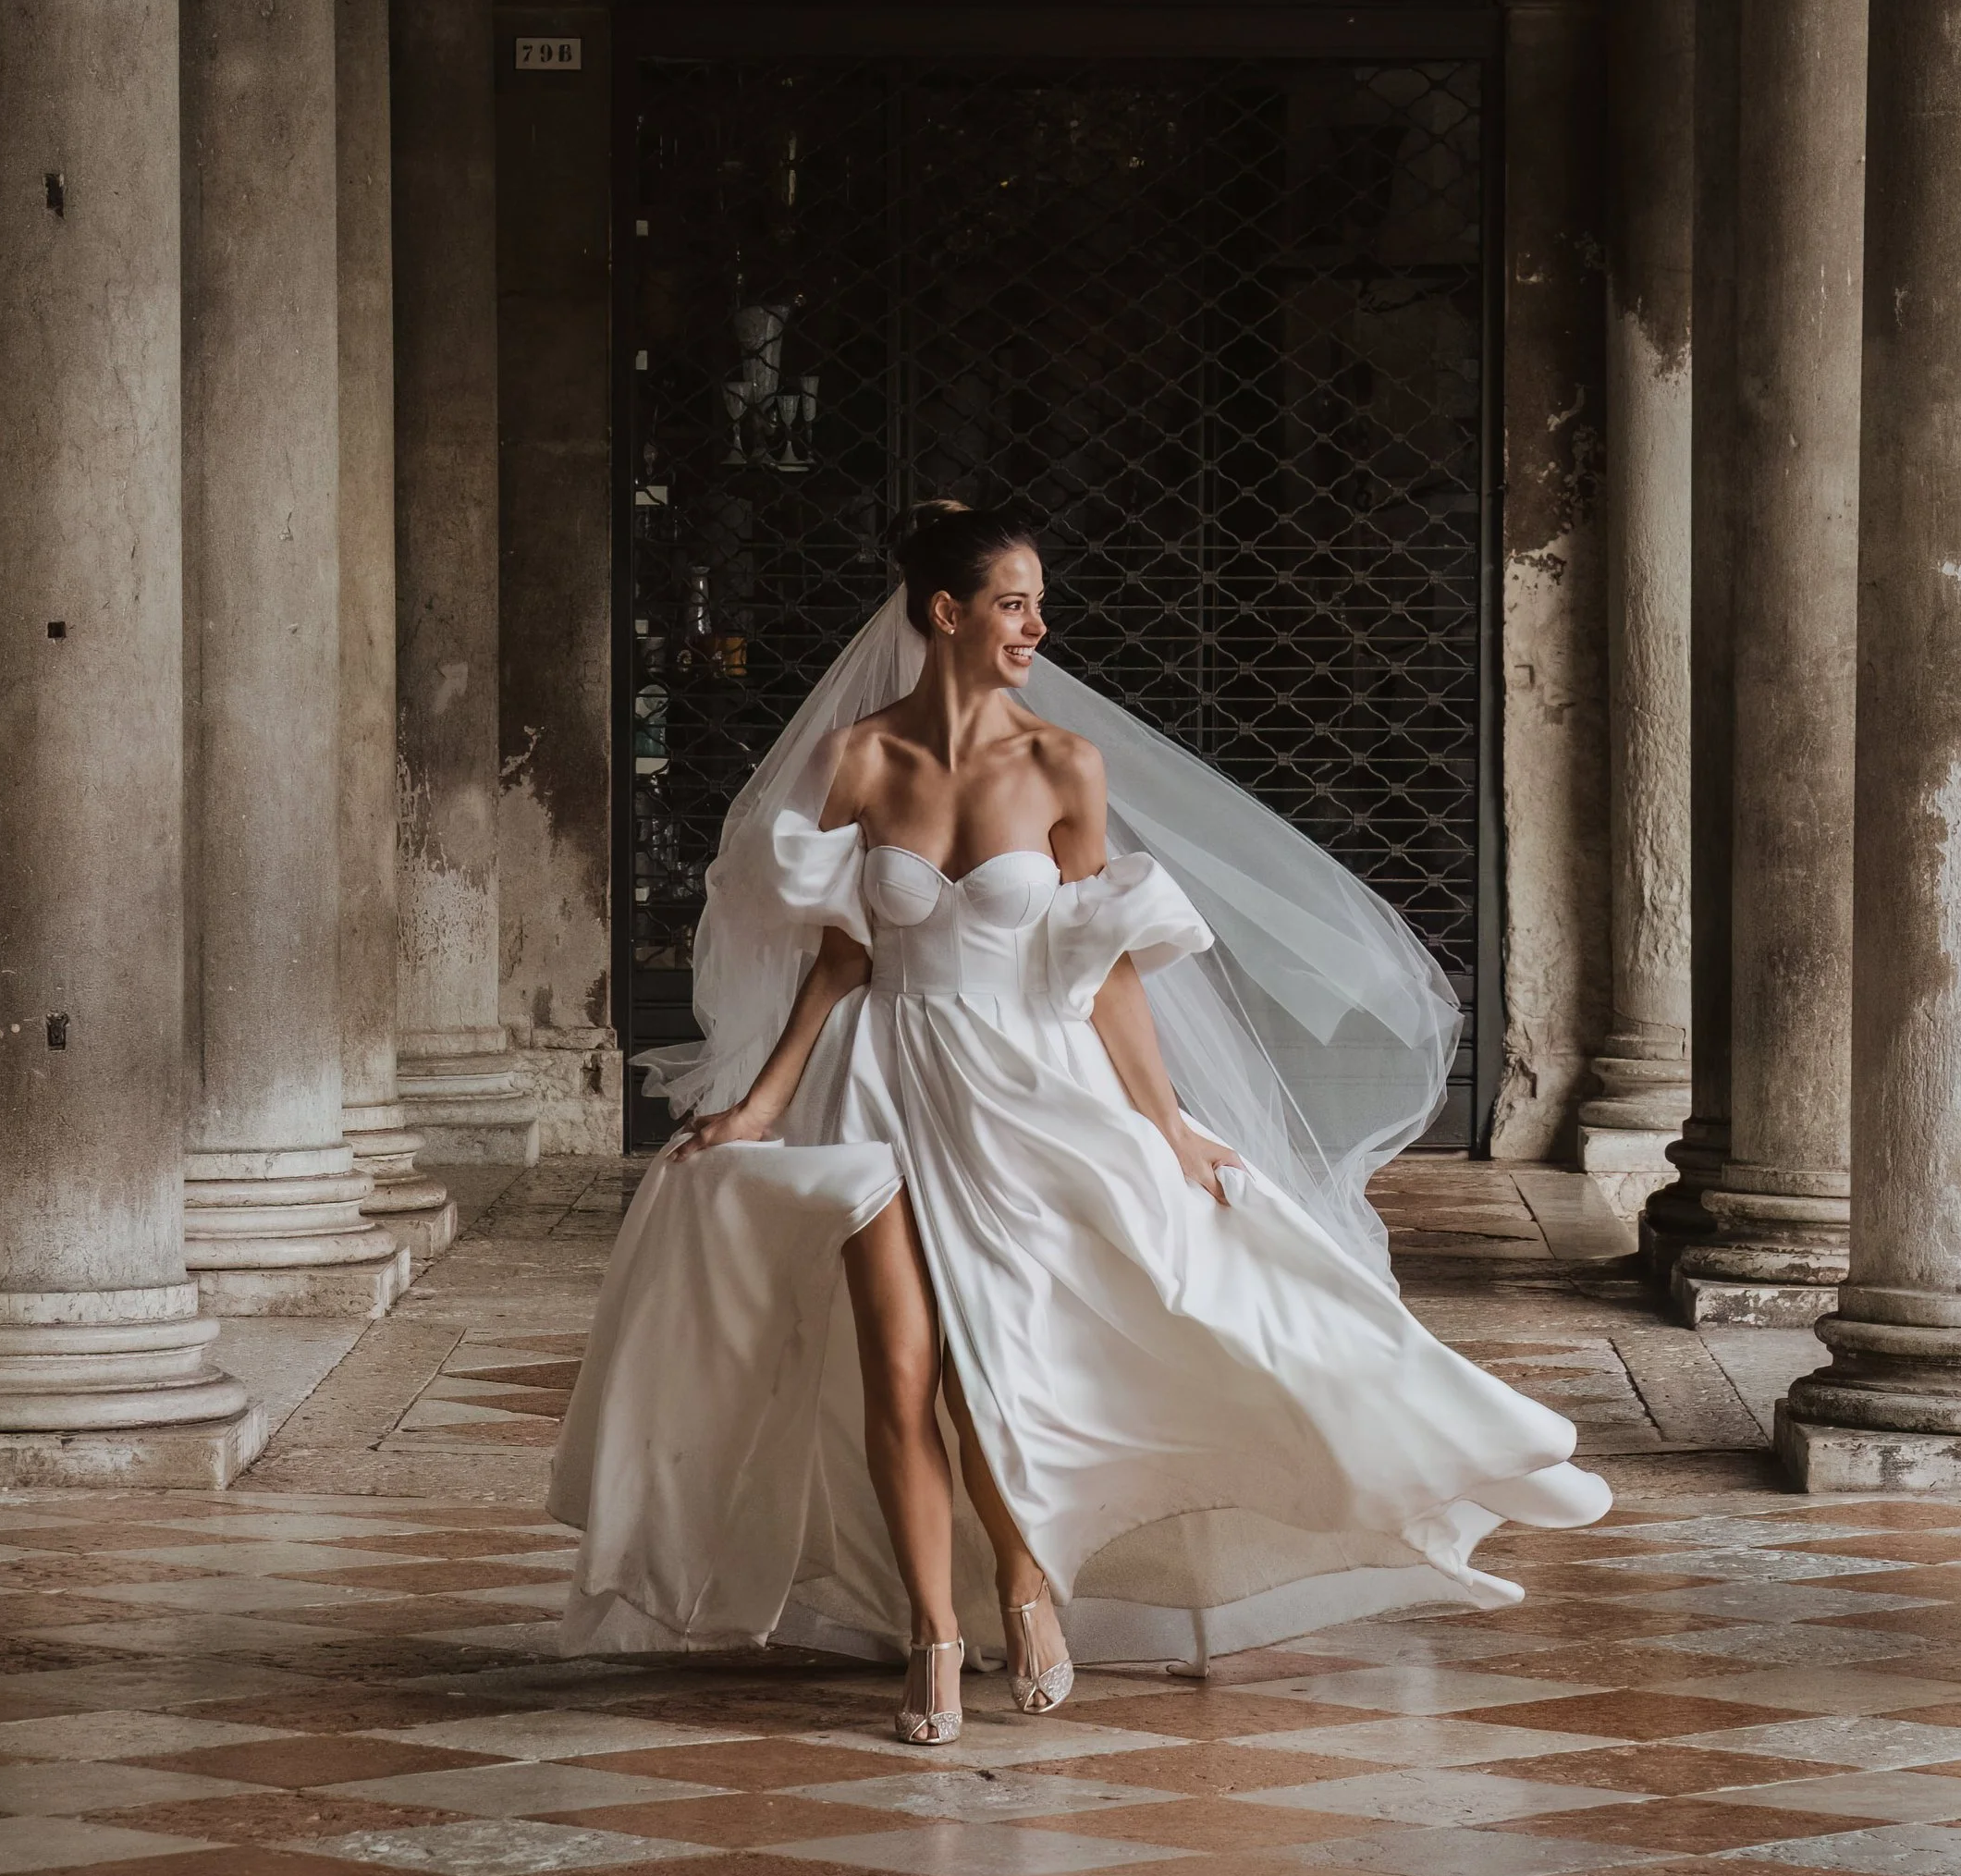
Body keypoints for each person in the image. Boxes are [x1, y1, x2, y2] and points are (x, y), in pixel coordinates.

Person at [552, 502, 1610, 1742]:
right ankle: (934, 1639)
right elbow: (840, 959)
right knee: (900, 1366)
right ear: (943, 612)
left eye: (1036, 602)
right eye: (1012, 601)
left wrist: (1167, 1123)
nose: (1036, 626)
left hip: (1025, 1085)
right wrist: (760, 1105)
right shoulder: (856, 765)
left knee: (1001, 1360)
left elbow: (1105, 965)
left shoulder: (1063, 766)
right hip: (884, 1078)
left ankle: (1024, 1577)